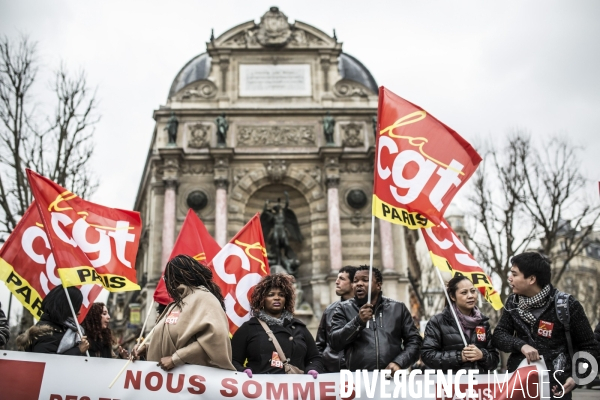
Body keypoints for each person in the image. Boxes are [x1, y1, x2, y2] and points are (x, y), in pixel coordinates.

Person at [492, 252, 599, 399]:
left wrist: (577, 378)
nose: (510, 278)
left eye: (514, 274)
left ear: (531, 279)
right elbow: (499, 335)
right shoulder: (512, 303)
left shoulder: (567, 305)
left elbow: (590, 347)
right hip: (520, 388)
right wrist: (521, 345)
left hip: (556, 390)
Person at [133, 255, 235, 371]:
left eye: (167, 278)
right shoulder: (176, 305)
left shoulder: (205, 298)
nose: (166, 284)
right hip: (169, 383)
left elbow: (215, 341)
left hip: (193, 383)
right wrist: (146, 348)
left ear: (176, 278)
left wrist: (175, 359)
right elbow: (173, 342)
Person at [330, 265, 422, 372]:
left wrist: (399, 362)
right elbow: (335, 343)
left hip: (391, 380)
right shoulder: (343, 308)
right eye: (355, 281)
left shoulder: (397, 308)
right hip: (359, 380)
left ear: (378, 285)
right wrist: (358, 322)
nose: (359, 284)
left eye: (365, 280)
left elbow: (415, 342)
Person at [231, 273, 323, 377]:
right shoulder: (249, 328)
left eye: (281, 295)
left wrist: (312, 369)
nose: (277, 298)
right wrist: (242, 371)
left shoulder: (299, 327)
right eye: (271, 295)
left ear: (286, 299)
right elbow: (233, 360)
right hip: (260, 390)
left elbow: (315, 358)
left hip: (296, 390)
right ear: (262, 299)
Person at [421, 275, 499, 372]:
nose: (470, 295)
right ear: (453, 297)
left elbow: (495, 361)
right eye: (464, 292)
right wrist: (459, 357)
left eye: (473, 291)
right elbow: (427, 356)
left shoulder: (483, 322)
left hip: (479, 385)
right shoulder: (437, 322)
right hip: (450, 384)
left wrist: (482, 355)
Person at [16, 285, 89, 356]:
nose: (79, 312)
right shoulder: (45, 333)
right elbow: (47, 364)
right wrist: (78, 350)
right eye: (77, 306)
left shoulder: (65, 330)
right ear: (66, 306)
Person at [315, 265, 357, 372]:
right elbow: (320, 344)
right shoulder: (330, 310)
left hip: (359, 371)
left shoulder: (366, 310)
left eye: (342, 279)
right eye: (337, 278)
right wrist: (319, 368)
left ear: (354, 284)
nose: (336, 282)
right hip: (333, 371)